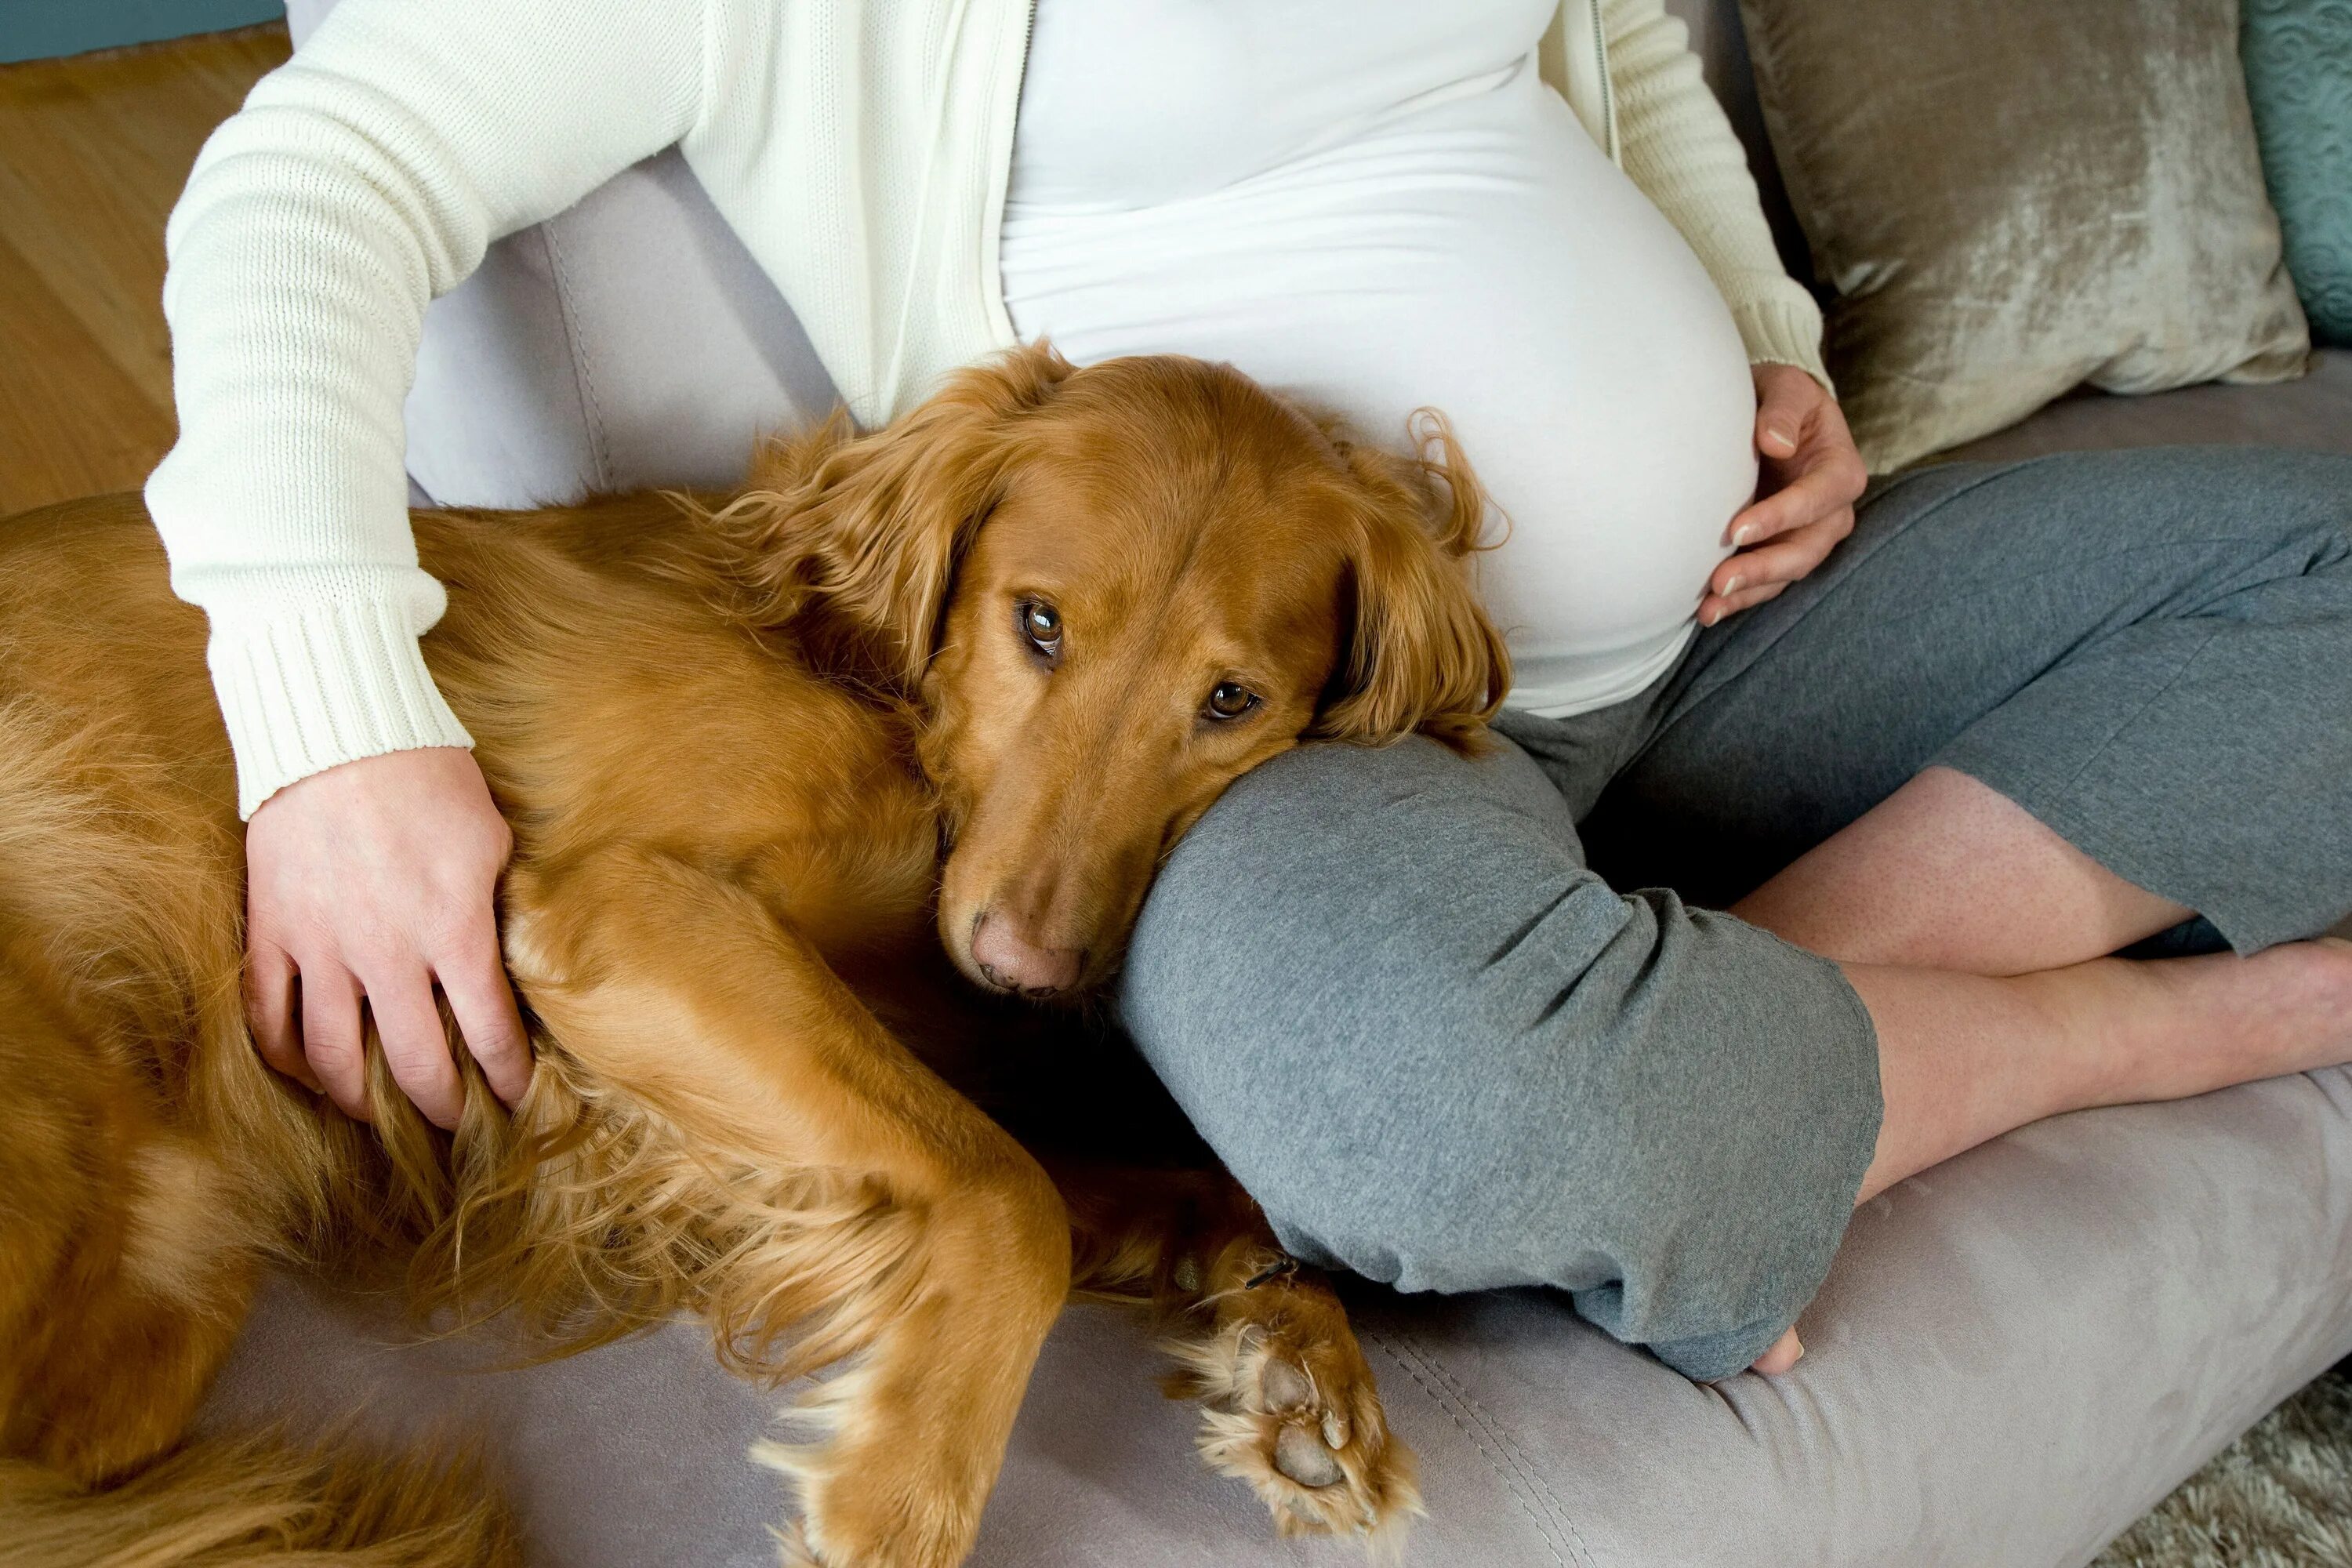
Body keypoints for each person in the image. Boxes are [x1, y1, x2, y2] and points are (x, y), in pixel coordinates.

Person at [148, 0, 2352, 1381]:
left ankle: (1712, 1050)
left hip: (1735, 609)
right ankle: (2151, 1028)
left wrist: (1771, 349)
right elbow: (314, 180)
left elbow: (1621, 62)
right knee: (1470, 1110)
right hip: (1301, 763)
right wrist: (333, 716)